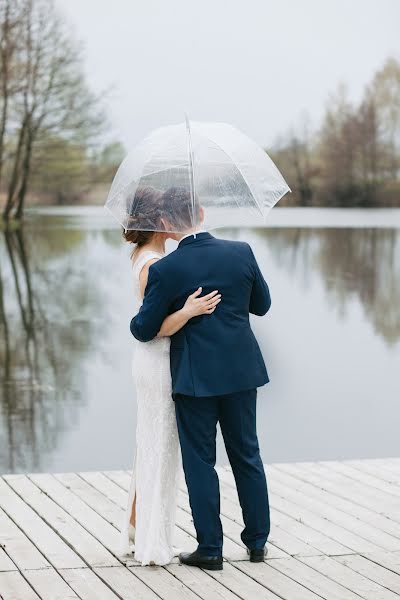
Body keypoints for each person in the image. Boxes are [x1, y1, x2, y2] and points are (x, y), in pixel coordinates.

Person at [131, 186, 271, 571]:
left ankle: (210, 548)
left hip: (195, 379)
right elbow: (262, 305)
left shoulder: (166, 269)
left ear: (165, 224)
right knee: (247, 454)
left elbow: (143, 329)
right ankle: (257, 542)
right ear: (203, 213)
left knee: (200, 462)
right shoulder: (241, 252)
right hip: (242, 371)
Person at [120, 186, 221, 565]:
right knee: (160, 448)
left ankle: (136, 526)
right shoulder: (154, 265)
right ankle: (150, 538)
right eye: (166, 215)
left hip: (153, 361)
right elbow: (153, 325)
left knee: (151, 444)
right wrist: (191, 311)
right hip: (158, 360)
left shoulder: (148, 255)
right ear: (158, 222)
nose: (173, 220)